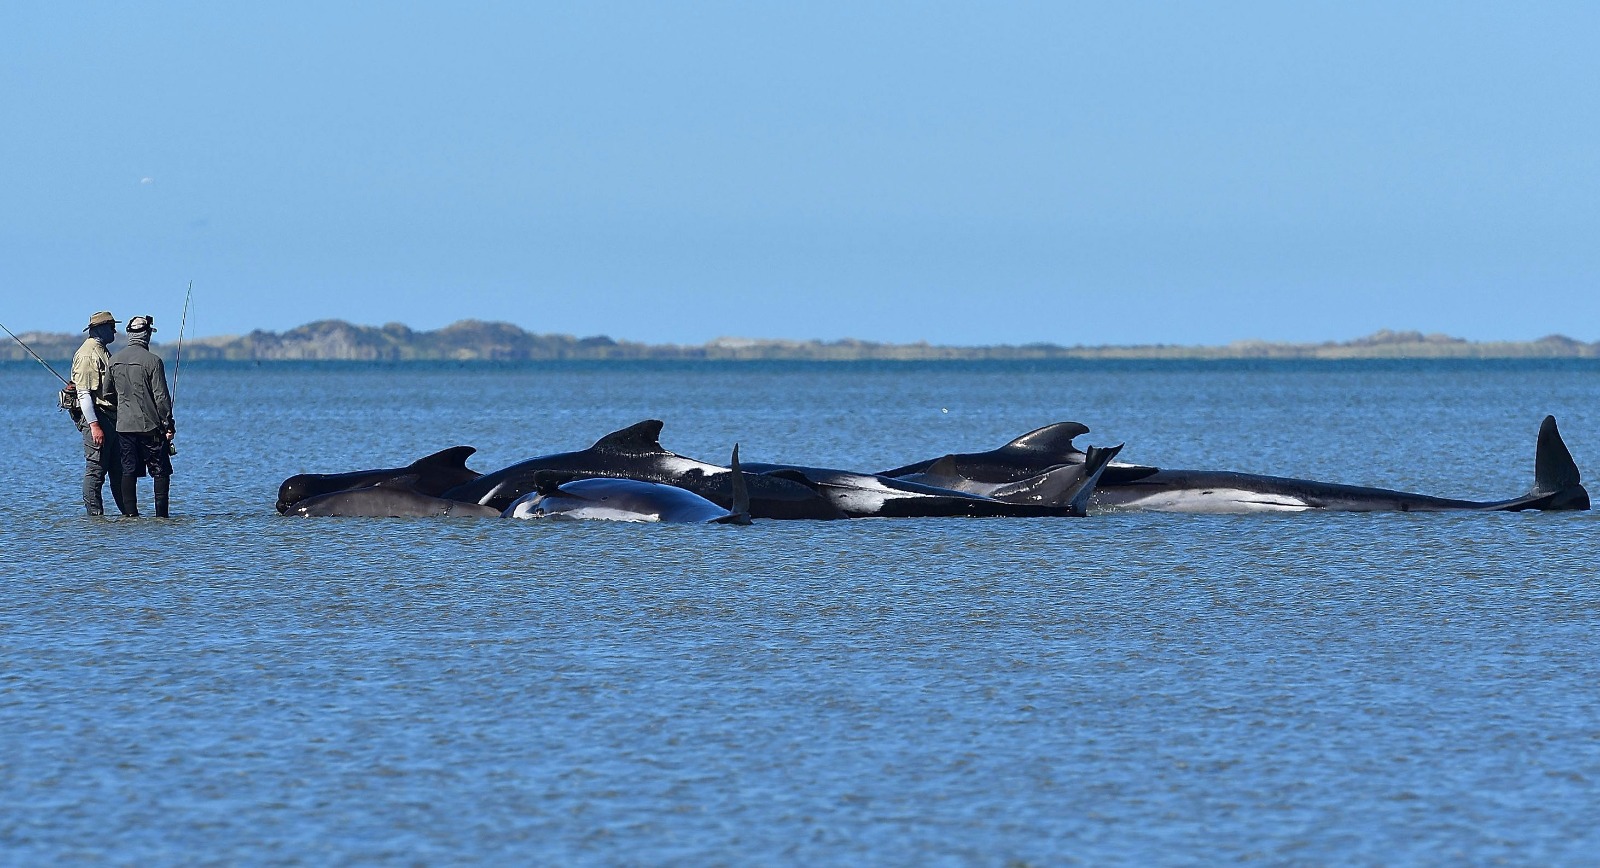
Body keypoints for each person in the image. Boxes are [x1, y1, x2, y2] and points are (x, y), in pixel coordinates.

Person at [108, 315, 176, 517]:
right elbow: (162, 398)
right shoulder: (154, 361)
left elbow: (108, 393)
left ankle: (130, 515)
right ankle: (161, 517)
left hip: (124, 427)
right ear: (146, 335)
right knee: (161, 471)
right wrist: (169, 425)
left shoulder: (114, 360)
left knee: (128, 470)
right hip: (151, 428)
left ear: (129, 334)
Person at [69, 310, 131, 516]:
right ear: (99, 328)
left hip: (110, 418)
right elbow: (84, 393)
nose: (115, 330)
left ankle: (128, 515)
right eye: (112, 326)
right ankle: (95, 517)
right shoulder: (88, 354)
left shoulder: (101, 350)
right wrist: (94, 425)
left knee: (117, 470)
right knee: (96, 469)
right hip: (98, 418)